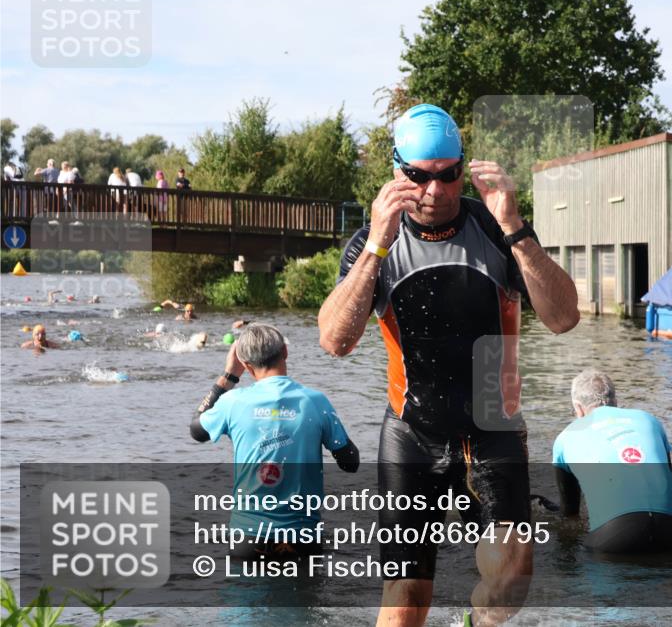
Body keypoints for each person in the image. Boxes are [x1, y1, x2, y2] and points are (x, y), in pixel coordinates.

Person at [318, 103, 579, 627]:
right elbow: (335, 341)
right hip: (412, 432)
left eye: (448, 174)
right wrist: (376, 245)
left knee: (511, 580)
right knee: (406, 600)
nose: (435, 190)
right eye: (419, 177)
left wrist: (515, 227)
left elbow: (564, 318)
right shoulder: (373, 242)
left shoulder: (496, 228)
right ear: (397, 171)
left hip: (493, 427)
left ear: (463, 167)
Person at [190, 323, 359, 558]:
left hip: (247, 539)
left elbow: (196, 431)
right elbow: (350, 463)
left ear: (246, 365)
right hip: (302, 537)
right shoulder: (315, 402)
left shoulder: (232, 403)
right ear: (285, 352)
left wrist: (229, 375)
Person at [552, 370, 672, 555]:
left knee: (570, 543)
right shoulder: (649, 420)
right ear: (615, 401)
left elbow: (570, 514)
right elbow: (667, 480)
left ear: (578, 408)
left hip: (615, 538)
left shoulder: (565, 437)